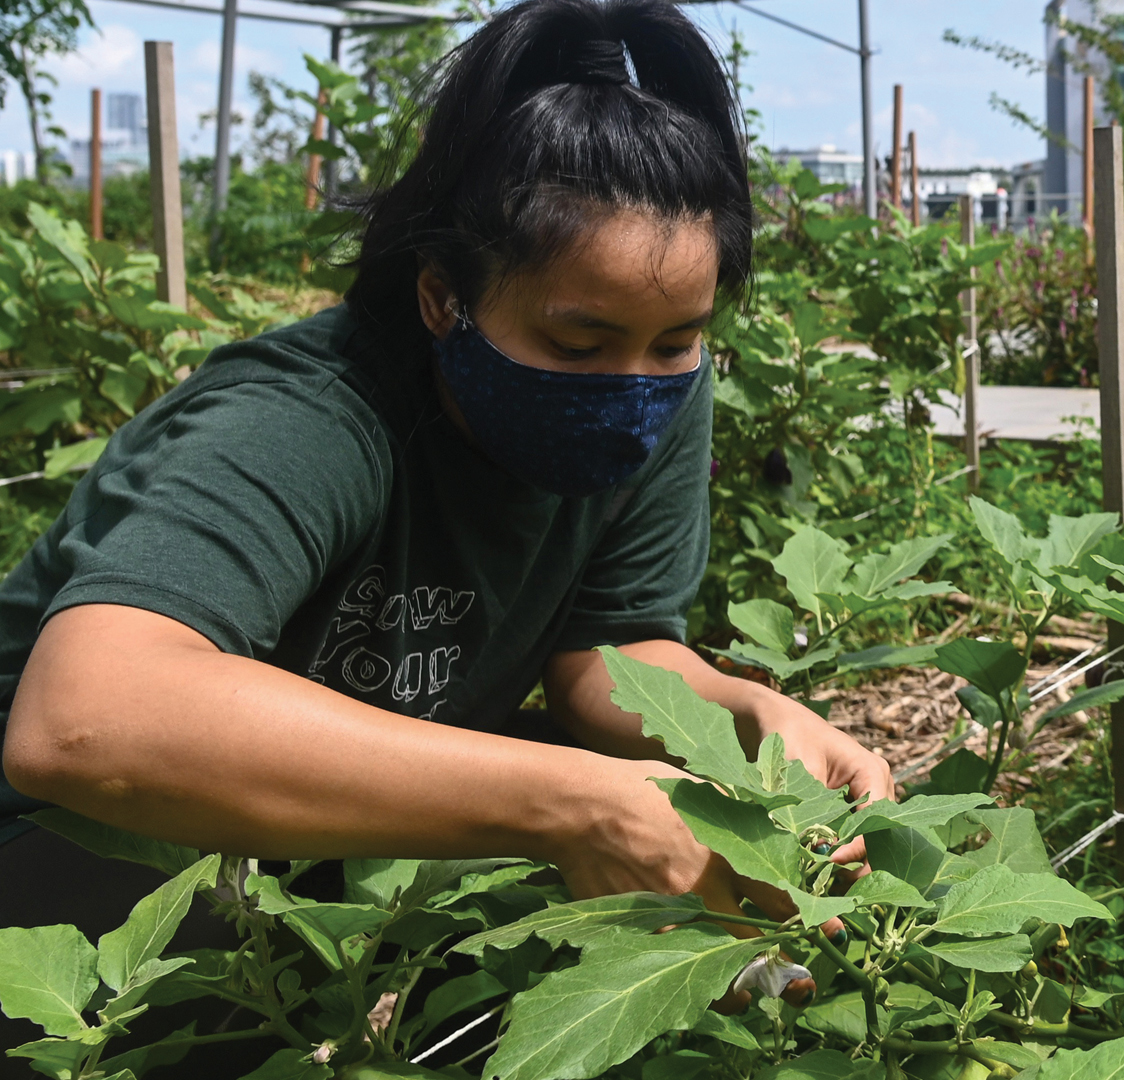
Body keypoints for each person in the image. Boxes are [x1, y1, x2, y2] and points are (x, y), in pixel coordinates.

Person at [0, 0, 890, 933]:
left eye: (676, 341)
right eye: (577, 344)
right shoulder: (310, 421)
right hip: (70, 849)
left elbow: (607, 651)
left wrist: (746, 720)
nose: (633, 383)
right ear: (441, 298)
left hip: (309, 840)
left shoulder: (662, 390)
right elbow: (87, 720)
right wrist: (573, 805)